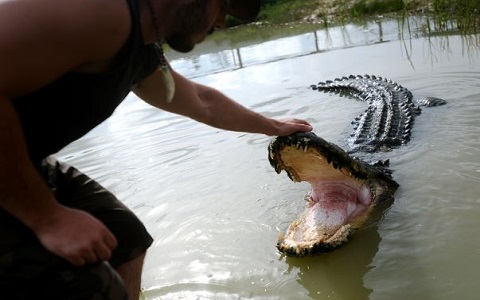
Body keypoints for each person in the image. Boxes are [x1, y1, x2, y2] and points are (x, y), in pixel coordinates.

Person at [0, 0, 312, 299]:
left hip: (26, 161)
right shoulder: (104, 12)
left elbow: (201, 102)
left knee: (127, 239)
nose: (221, 22)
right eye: (224, 5)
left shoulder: (140, 49)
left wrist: (271, 125)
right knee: (91, 286)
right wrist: (47, 217)